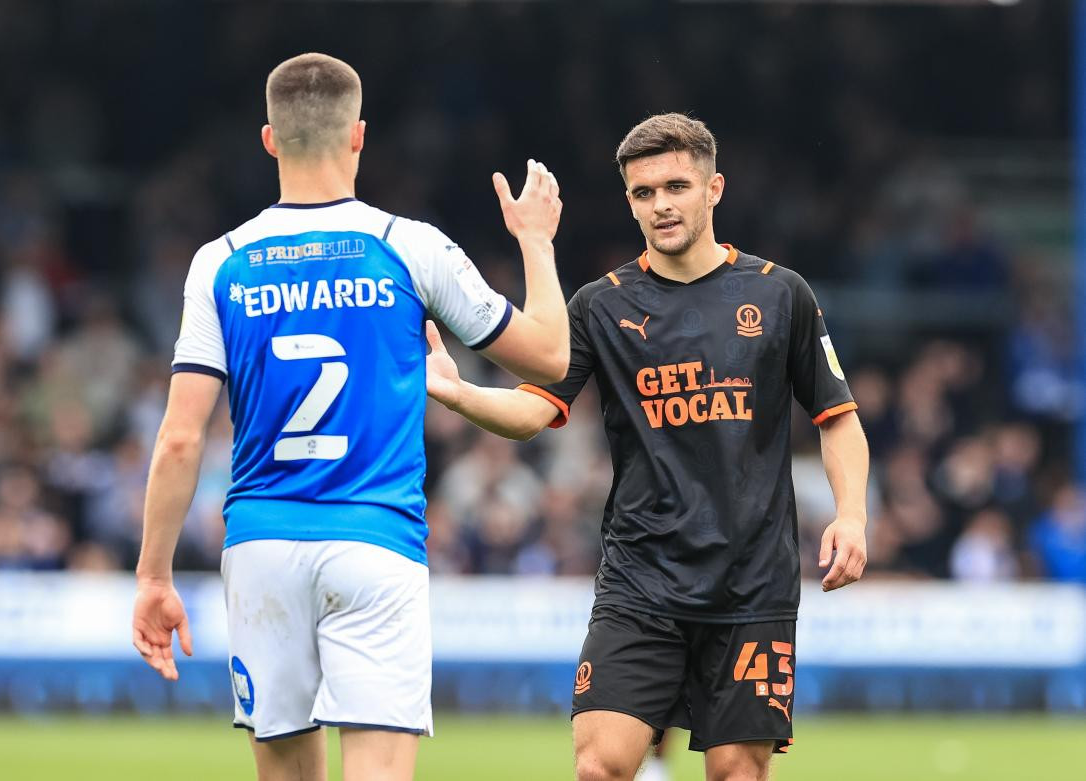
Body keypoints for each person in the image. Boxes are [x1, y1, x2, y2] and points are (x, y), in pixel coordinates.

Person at [131, 52, 568, 781]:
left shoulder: (220, 261)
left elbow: (180, 436)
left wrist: (152, 575)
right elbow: (551, 357)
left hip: (263, 545)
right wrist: (536, 241)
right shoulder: (409, 247)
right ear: (359, 136)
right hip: (374, 542)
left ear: (268, 139)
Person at [425, 113, 870, 781]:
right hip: (642, 577)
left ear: (713, 188)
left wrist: (853, 512)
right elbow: (532, 410)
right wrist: (460, 394)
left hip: (752, 581)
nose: (660, 204)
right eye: (643, 192)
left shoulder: (781, 295)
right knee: (600, 766)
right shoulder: (600, 307)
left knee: (735, 773)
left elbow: (837, 416)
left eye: (676, 185)